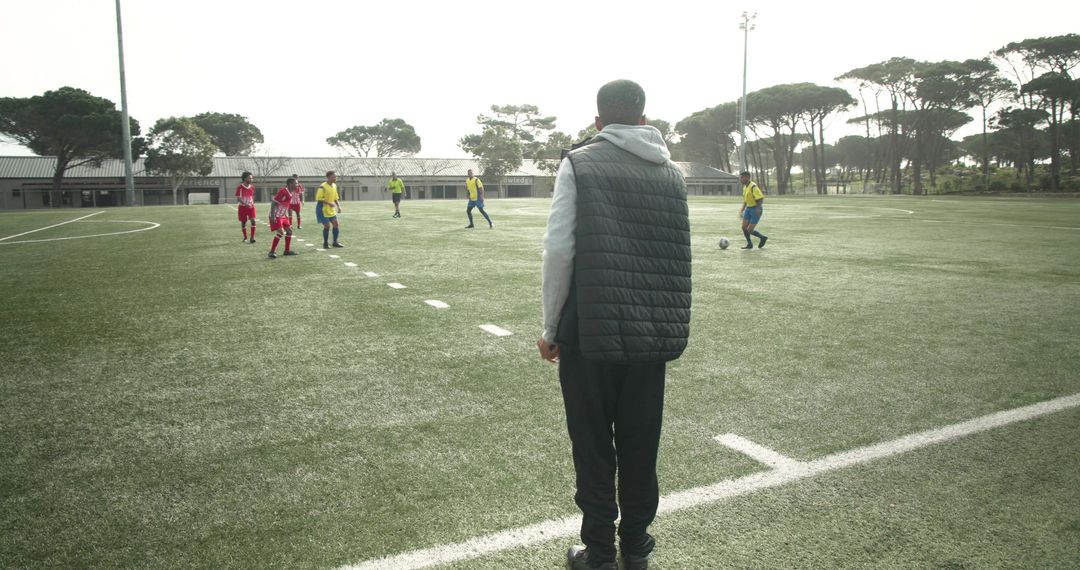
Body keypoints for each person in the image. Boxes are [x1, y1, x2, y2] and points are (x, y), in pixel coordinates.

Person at [537, 79, 691, 570]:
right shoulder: (671, 174)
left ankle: (599, 552)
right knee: (642, 443)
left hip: (590, 330)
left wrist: (550, 326)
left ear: (598, 121)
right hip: (651, 331)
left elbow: (560, 249)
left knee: (593, 445)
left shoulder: (580, 161)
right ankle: (637, 546)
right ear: (643, 120)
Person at [267, 178, 298, 259]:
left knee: (289, 231)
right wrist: (273, 216)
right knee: (281, 232)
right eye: (296, 183)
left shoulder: (291, 192)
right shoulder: (283, 191)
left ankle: (287, 251)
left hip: (282, 215)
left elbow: (285, 204)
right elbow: (274, 203)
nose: (297, 185)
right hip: (276, 215)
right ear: (291, 184)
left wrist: (286, 215)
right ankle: (272, 252)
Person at [739, 170, 768, 249]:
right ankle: (750, 244)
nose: (740, 179)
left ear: (747, 177)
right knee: (744, 227)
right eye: (740, 178)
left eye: (742, 178)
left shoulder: (753, 186)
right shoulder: (745, 187)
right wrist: (742, 210)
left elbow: (761, 198)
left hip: (756, 209)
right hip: (748, 209)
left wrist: (758, 208)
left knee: (749, 230)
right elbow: (745, 200)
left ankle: (762, 238)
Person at [314, 170, 343, 248]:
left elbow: (335, 197)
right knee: (327, 226)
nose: (335, 178)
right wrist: (329, 203)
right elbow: (319, 198)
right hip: (322, 209)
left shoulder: (334, 186)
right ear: (329, 177)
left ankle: (335, 242)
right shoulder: (322, 186)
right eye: (334, 176)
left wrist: (338, 206)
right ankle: (325, 243)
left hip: (331, 210)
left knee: (336, 224)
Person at [235, 171, 257, 243]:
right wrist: (245, 204)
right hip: (242, 207)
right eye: (250, 178)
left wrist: (251, 203)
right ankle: (245, 237)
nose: (251, 179)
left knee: (253, 221)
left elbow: (252, 196)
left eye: (252, 178)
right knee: (244, 222)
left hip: (251, 207)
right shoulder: (240, 187)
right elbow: (239, 198)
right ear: (245, 179)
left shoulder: (252, 187)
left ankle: (252, 238)